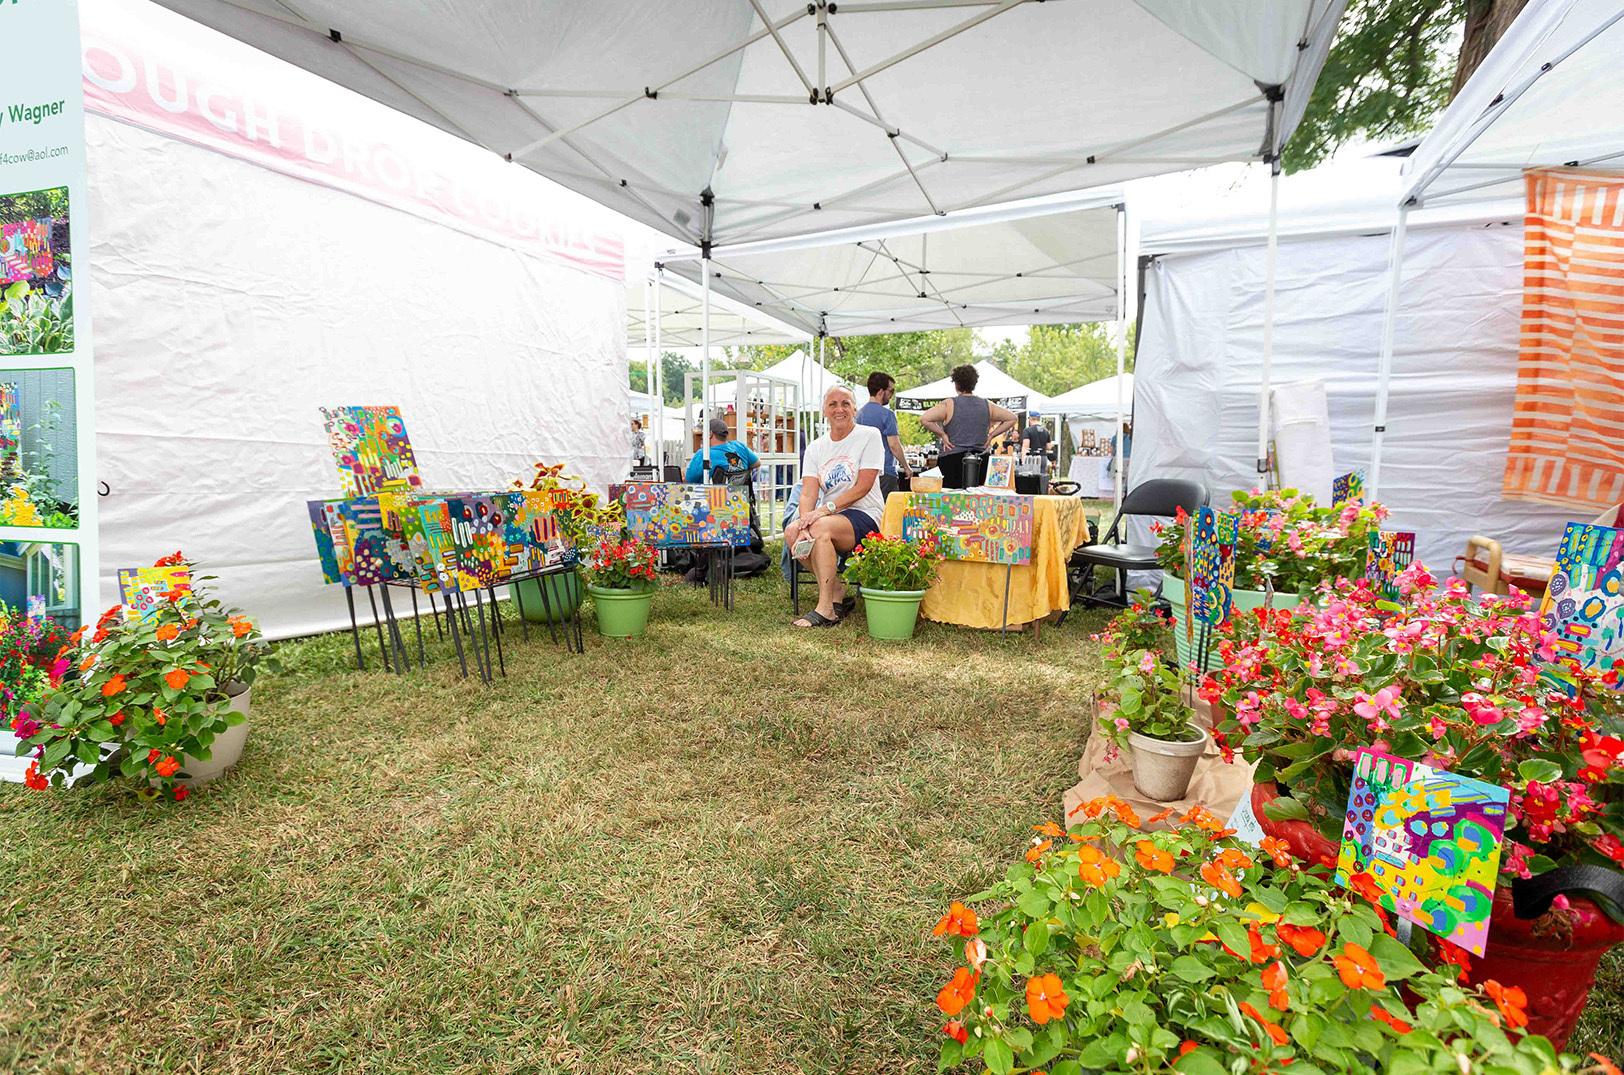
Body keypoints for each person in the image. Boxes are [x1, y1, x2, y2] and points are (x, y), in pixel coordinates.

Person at [784, 385, 886, 628]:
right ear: (824, 412)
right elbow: (808, 492)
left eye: (845, 403)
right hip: (829, 518)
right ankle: (837, 590)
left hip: (865, 515)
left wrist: (822, 511)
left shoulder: (869, 436)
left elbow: (863, 486)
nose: (839, 409)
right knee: (792, 532)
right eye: (833, 404)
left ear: (855, 409)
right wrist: (805, 522)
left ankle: (826, 609)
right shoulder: (816, 447)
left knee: (820, 528)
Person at [917, 364, 1018, 488]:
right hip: (980, 459)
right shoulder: (987, 405)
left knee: (950, 501)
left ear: (956, 384)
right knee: (978, 501)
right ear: (974, 383)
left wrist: (942, 434)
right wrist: (991, 435)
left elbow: (925, 419)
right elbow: (1012, 418)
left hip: (952, 459)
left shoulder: (949, 404)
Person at [857, 371, 913, 498]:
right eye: (891, 391)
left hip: (863, 472)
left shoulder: (858, 415)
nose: (891, 395)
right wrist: (906, 467)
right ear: (881, 391)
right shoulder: (887, 415)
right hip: (885, 471)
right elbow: (894, 445)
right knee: (889, 512)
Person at [685, 417, 759, 483]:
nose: (702, 436)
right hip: (741, 496)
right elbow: (757, 463)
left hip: (715, 497)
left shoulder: (704, 454)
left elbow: (688, 479)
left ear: (710, 434)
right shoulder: (739, 446)